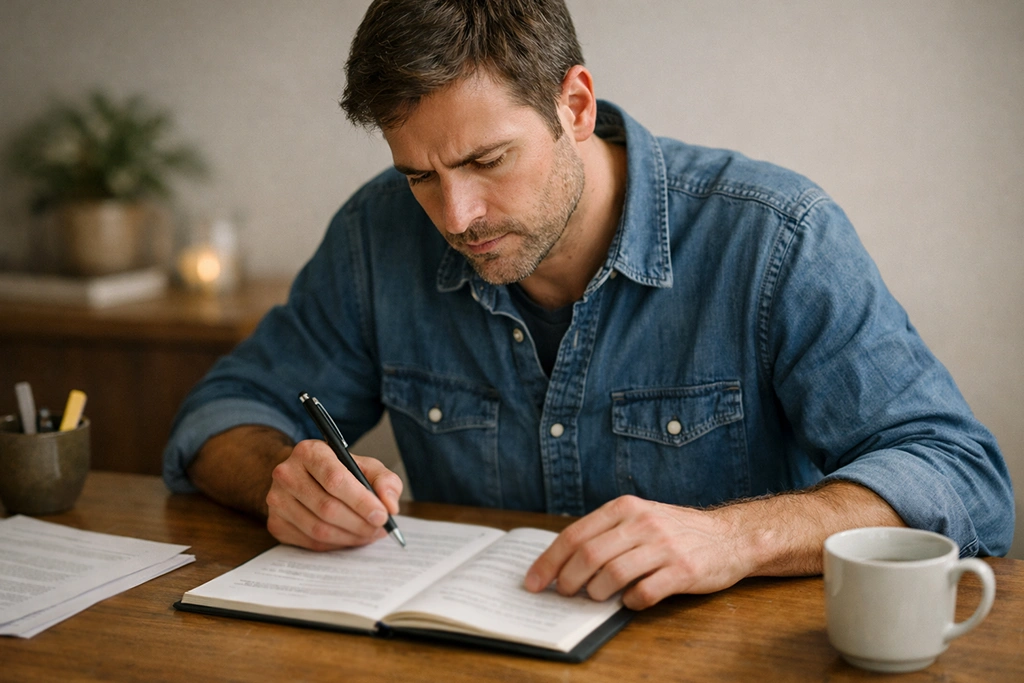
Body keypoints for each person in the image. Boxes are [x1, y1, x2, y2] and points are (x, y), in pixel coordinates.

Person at [163, 0, 1014, 610]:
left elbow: (963, 478)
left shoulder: (773, 236)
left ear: (574, 105)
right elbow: (221, 414)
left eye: (487, 160)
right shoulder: (376, 235)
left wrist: (731, 538)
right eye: (420, 174)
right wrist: (282, 478)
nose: (455, 217)